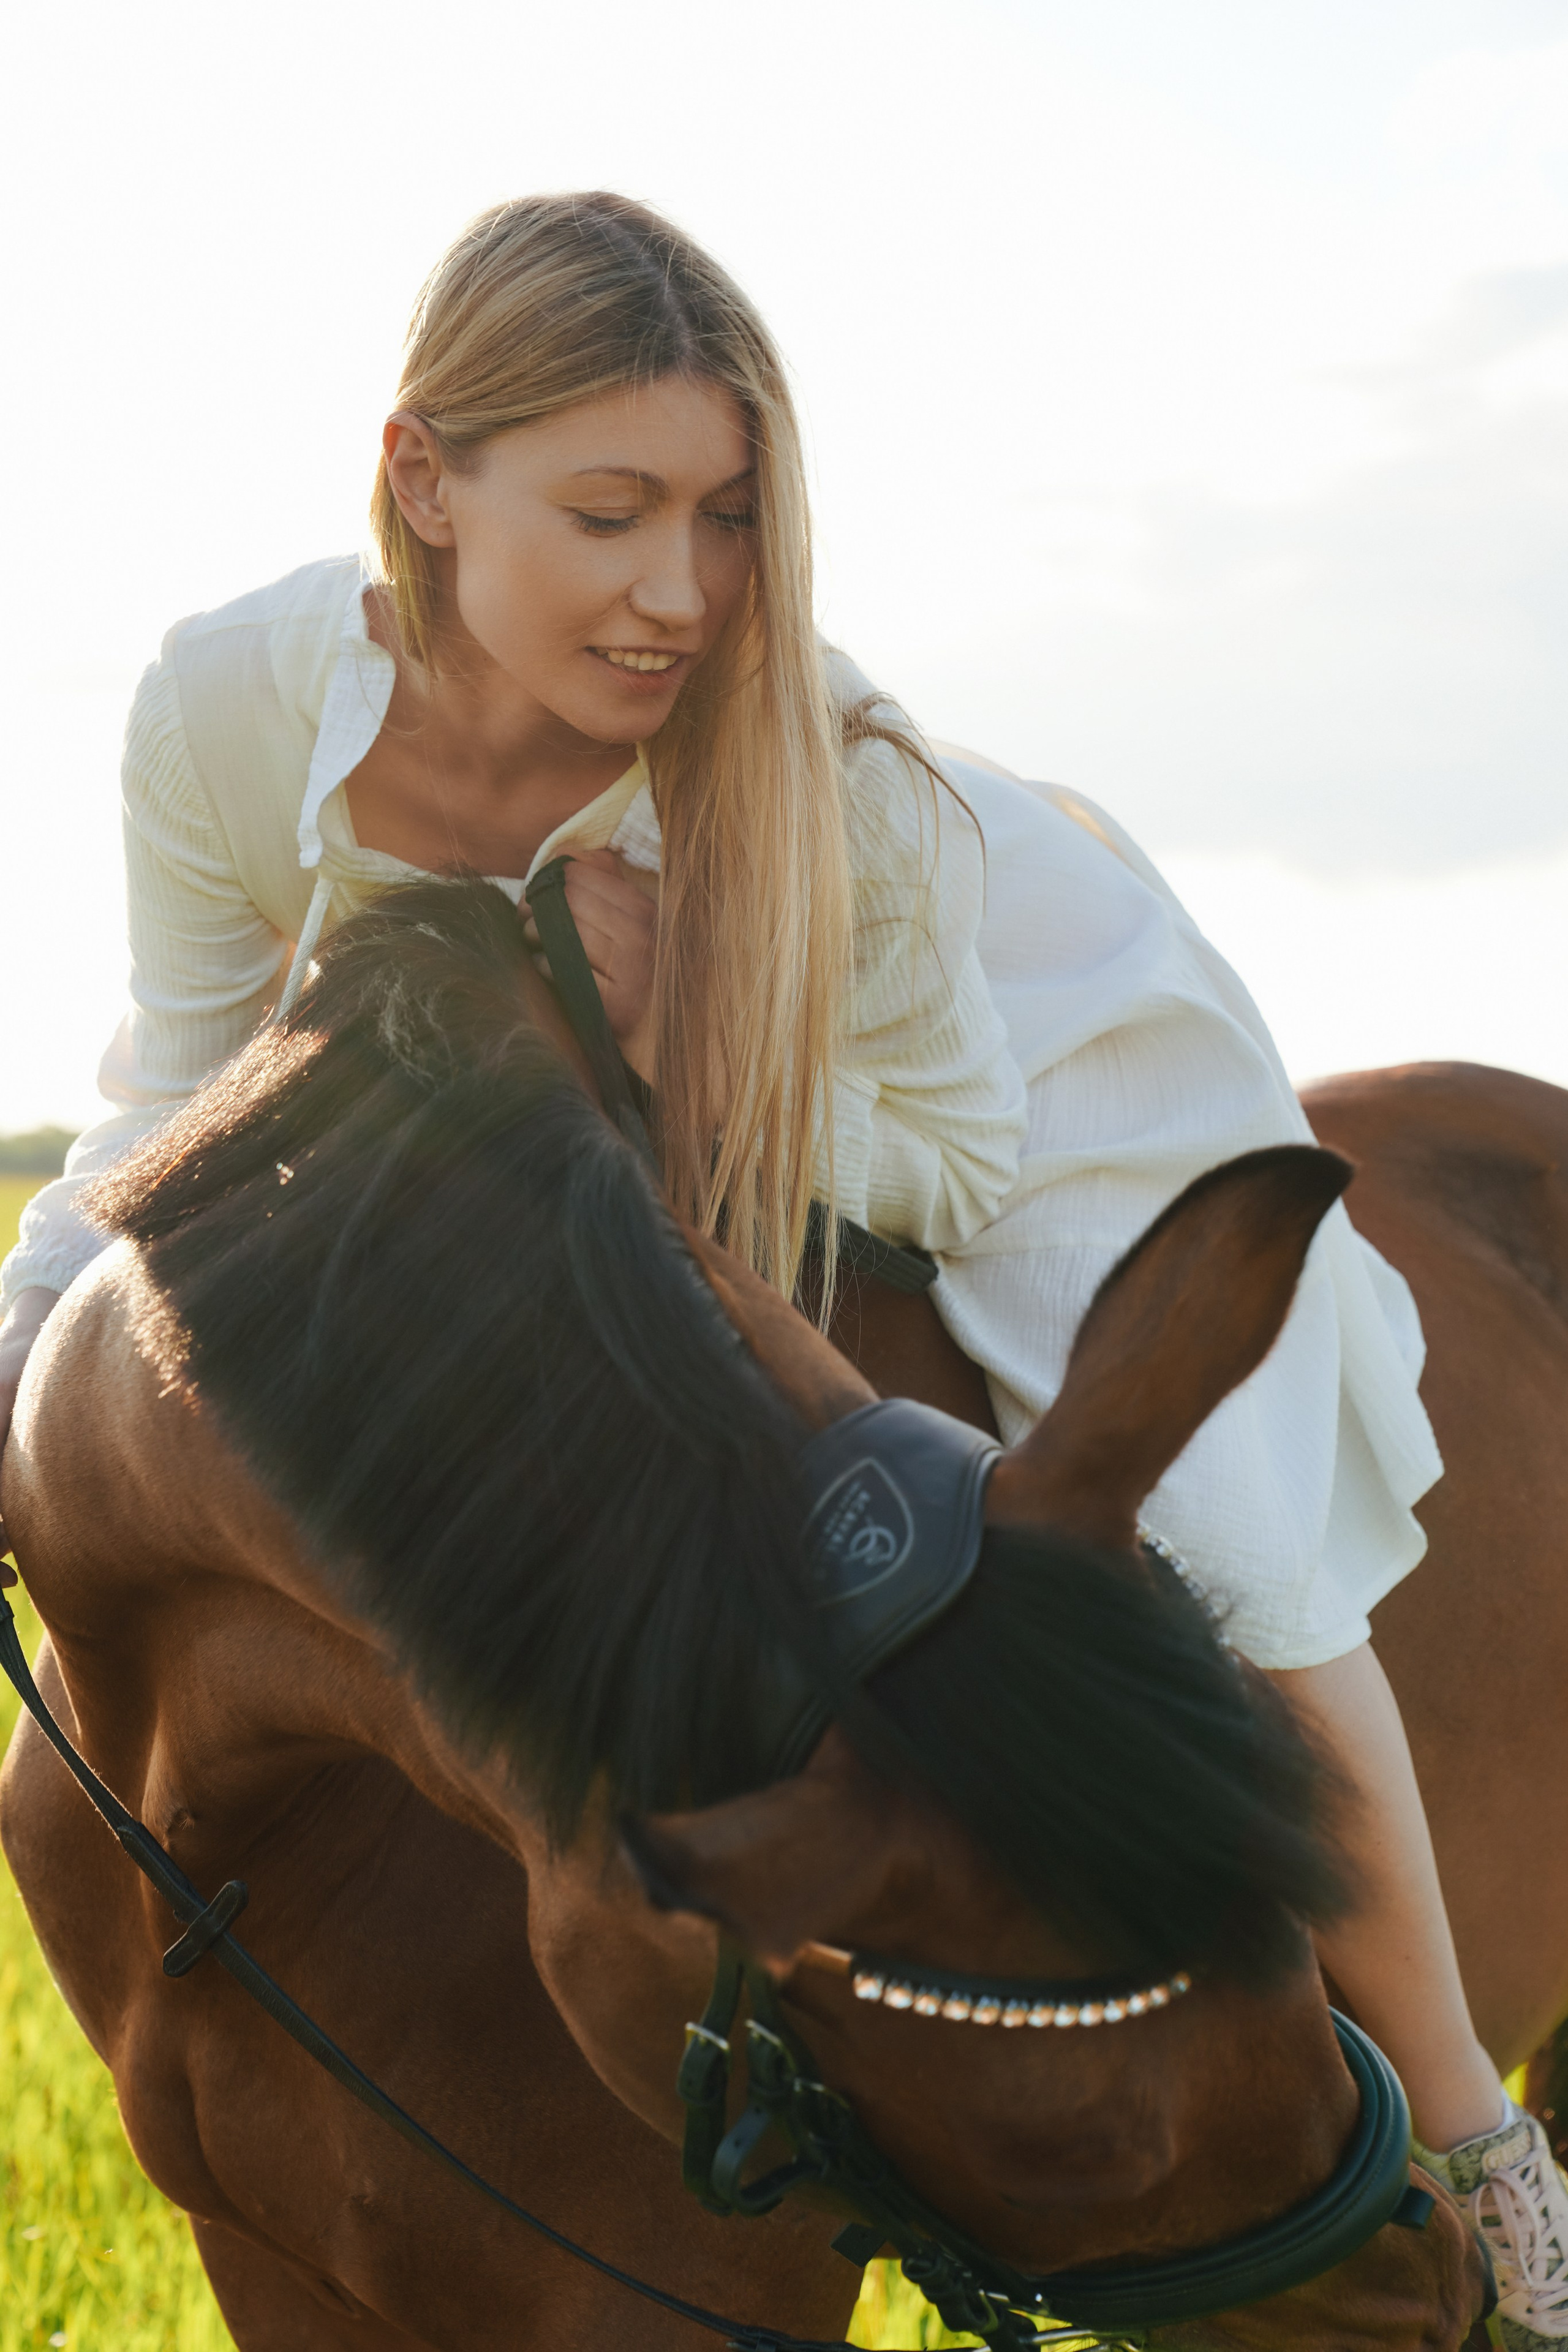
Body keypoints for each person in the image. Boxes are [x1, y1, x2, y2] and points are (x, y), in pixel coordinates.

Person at [0, 190, 1561, 2341]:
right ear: (422, 480)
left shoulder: (823, 783)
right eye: (613, 509)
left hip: (1016, 1068)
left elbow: (953, 1144)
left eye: (728, 517)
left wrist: (675, 1039)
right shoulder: (230, 707)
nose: (678, 592)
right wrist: (23, 1362)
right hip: (641, 1149)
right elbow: (176, 1088)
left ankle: (1472, 2143)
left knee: (1229, 1550)